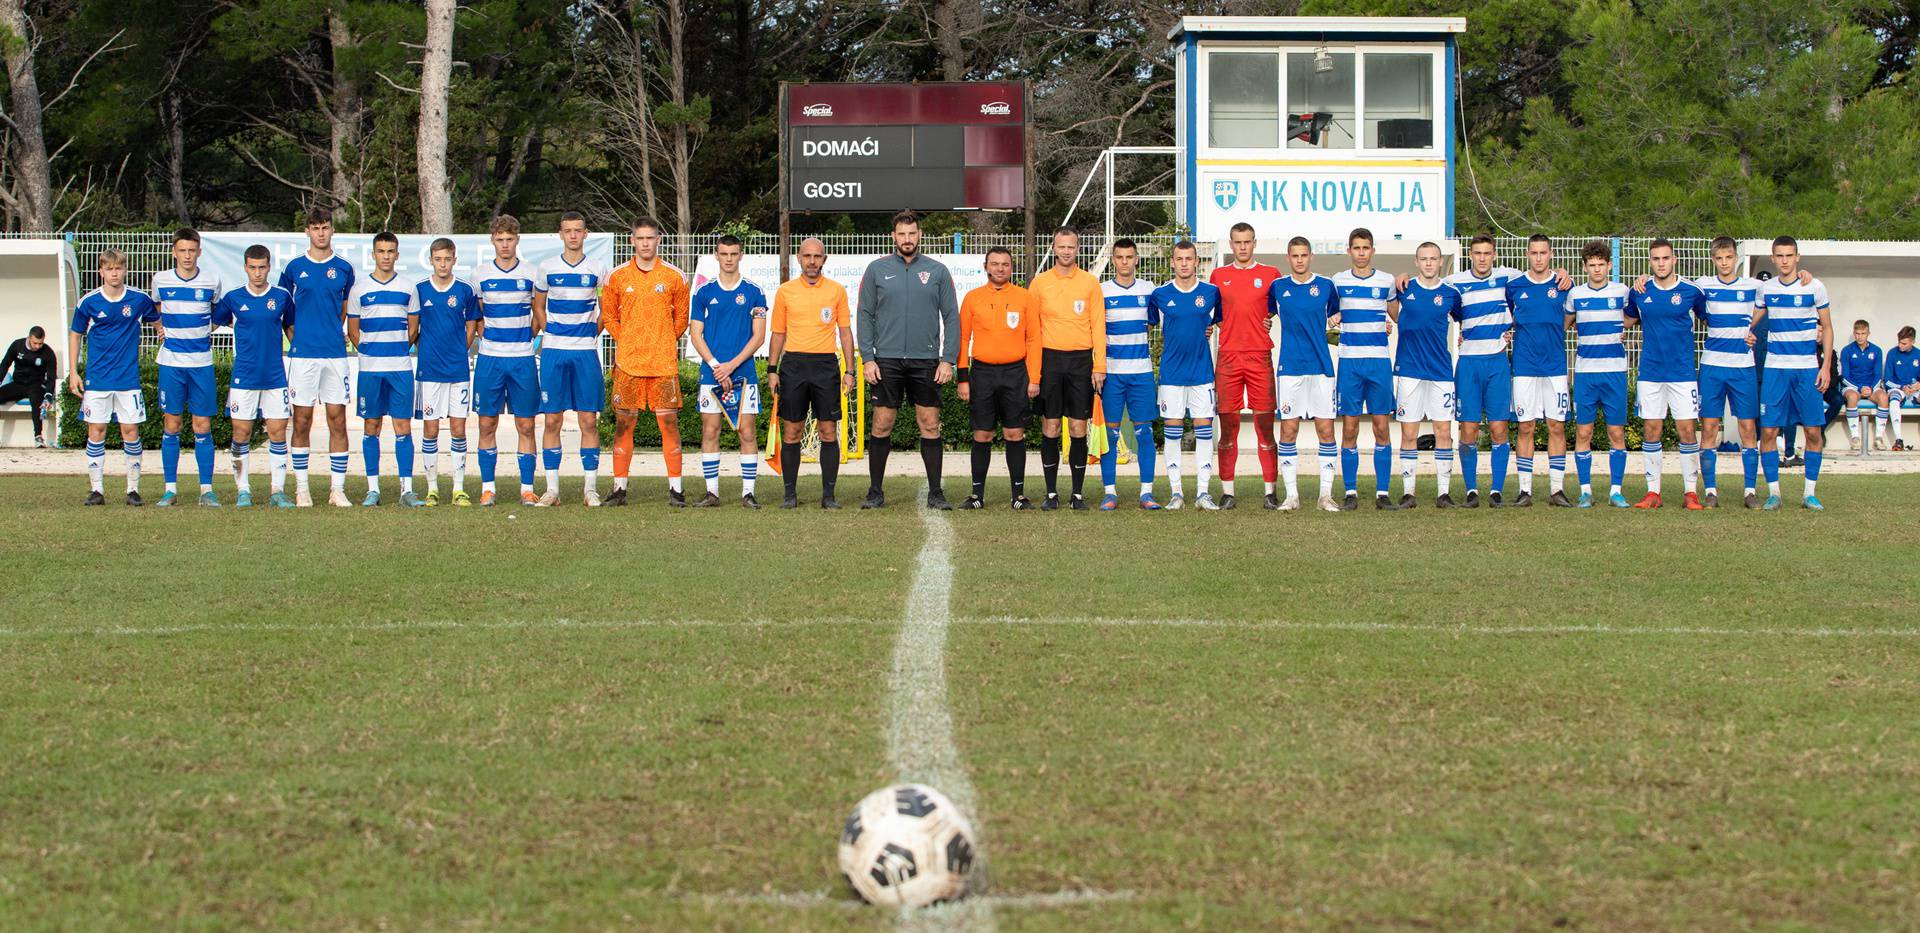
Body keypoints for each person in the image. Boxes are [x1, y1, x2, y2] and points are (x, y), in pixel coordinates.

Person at [858, 210, 960, 510]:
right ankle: (875, 491)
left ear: (920, 235)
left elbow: (951, 317)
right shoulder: (876, 269)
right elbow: (865, 315)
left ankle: (936, 493)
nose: (907, 239)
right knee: (882, 423)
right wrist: (868, 358)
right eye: (901, 234)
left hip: (925, 360)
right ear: (893, 236)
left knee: (930, 424)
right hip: (886, 360)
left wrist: (947, 359)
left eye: (912, 233)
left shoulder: (937, 271)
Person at [601, 216, 690, 507]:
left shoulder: (675, 276)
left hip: (663, 364)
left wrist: (663, 341)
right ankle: (619, 489)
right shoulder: (617, 276)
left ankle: (676, 490)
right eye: (640, 238)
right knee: (624, 426)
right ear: (632, 241)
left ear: (659, 240)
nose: (645, 243)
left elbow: (682, 320)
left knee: (669, 424)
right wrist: (628, 341)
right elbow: (610, 316)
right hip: (628, 364)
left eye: (650, 238)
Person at [768, 237, 855, 508]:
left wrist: (850, 370)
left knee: (828, 431)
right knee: (792, 431)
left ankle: (828, 496)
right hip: (793, 365)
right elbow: (778, 333)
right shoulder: (785, 291)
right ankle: (789, 495)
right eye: (807, 256)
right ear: (799, 258)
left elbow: (844, 332)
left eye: (817, 256)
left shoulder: (837, 291)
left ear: (824, 260)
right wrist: (772, 369)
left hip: (826, 366)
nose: (812, 261)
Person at [278, 208, 355, 507]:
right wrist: (299, 340)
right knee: (302, 420)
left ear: (332, 230)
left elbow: (344, 307)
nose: (320, 233)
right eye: (315, 228)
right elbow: (285, 310)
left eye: (325, 227)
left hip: (335, 355)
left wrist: (333, 332)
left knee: (338, 420)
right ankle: (302, 489)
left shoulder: (345, 268)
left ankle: (337, 489)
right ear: (307, 232)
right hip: (303, 357)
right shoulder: (294, 268)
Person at [69, 249, 157, 506]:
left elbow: (158, 321)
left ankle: (133, 489)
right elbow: (76, 334)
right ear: (101, 272)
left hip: (128, 380)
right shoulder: (89, 302)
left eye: (118, 268)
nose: (114, 273)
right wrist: (74, 372)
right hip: (97, 380)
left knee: (130, 431)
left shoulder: (139, 300)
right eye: (109, 269)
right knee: (96, 431)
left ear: (125, 270)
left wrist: (164, 331)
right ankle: (97, 490)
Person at [534, 211, 611, 506]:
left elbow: (606, 309)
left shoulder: (597, 268)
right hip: (554, 351)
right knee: (552, 419)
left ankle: (590, 488)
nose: (573, 235)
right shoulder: (547, 268)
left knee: (588, 420)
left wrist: (593, 333)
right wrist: (548, 331)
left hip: (585, 352)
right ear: (561, 234)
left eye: (578, 230)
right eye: (568, 231)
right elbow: (538, 306)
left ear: (586, 233)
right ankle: (552, 489)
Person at [956, 246, 1041, 509]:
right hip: (981, 373)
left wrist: (1034, 377)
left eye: (1005, 264)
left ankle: (1018, 495)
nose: (1000, 268)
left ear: (1011, 267)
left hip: (1015, 373)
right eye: (995, 264)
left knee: (1014, 433)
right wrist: (962, 377)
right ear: (986, 267)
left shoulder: (1025, 298)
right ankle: (976, 496)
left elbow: (1034, 339)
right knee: (982, 434)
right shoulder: (972, 298)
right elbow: (963, 338)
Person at [1028, 225, 1106, 510]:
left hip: (1081, 361)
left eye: (1071, 246)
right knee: (1049, 426)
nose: (1066, 251)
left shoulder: (1089, 283)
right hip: (1049, 360)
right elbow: (1032, 332)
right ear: (1053, 248)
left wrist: (1100, 365)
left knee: (1077, 427)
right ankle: (1051, 494)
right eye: (1061, 246)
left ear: (1078, 248)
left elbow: (1098, 326)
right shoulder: (1039, 284)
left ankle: (1077, 494)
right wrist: (1033, 372)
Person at [1626, 239, 1707, 509]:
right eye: (1656, 259)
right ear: (1650, 262)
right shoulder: (1639, 291)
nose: (1661, 263)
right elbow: (1626, 321)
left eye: (1665, 258)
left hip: (1682, 373)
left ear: (1674, 260)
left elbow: (1710, 319)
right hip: (1650, 372)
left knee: (1686, 430)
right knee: (1651, 429)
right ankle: (1653, 493)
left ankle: (1690, 493)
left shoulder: (1691, 291)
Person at [688, 234, 768, 508]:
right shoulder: (704, 292)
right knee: (710, 431)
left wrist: (731, 366)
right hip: (711, 373)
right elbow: (695, 334)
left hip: (743, 372)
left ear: (741, 255)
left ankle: (748, 493)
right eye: (724, 254)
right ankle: (712, 493)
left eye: (734, 254)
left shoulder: (754, 291)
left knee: (747, 431)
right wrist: (715, 365)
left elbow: (758, 336)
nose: (729, 259)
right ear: (716, 255)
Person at [214, 244, 296, 508]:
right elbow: (215, 322)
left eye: (262, 267)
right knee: (241, 431)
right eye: (253, 267)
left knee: (278, 432)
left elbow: (291, 329)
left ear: (269, 267)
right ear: (245, 268)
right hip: (244, 377)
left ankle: (277, 491)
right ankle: (244, 491)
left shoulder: (282, 297)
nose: (258, 273)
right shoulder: (233, 298)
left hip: (275, 376)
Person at [469, 214, 543, 507]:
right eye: (499, 240)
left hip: (522, 358)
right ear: (492, 241)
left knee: (526, 425)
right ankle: (488, 488)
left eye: (509, 239)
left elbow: (538, 313)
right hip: (490, 359)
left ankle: (527, 488)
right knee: (487, 424)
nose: (504, 245)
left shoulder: (531, 273)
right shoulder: (480, 275)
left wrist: (526, 338)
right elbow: (479, 315)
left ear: (517, 240)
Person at [1755, 235, 1833, 510]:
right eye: (1780, 256)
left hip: (1807, 369)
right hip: (1776, 369)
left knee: (1813, 431)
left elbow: (1828, 327)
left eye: (1790, 255)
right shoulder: (1765, 289)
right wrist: (1748, 333)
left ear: (1797, 257)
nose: (1785, 261)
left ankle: (1809, 493)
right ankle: (1774, 493)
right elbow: (1751, 321)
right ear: (1773, 258)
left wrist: (1825, 367)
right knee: (1768, 431)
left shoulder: (1815, 286)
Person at [1206, 222, 1280, 508]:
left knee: (1264, 426)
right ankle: (1228, 492)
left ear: (1255, 243)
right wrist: (1211, 325)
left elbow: (1275, 306)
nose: (1242, 247)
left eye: (1247, 242)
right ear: (1231, 244)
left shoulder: (1271, 275)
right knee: (1228, 427)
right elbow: (1211, 312)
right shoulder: (1218, 275)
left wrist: (1268, 318)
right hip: (1229, 358)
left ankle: (1270, 492)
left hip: (1259, 356)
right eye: (1237, 242)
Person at [1443, 235, 1519, 508]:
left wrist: (1561, 273)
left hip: (1497, 362)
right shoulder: (1455, 283)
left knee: (1500, 428)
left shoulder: (1508, 278)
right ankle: (1471, 490)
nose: (1483, 258)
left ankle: (1496, 490)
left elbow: (1538, 279)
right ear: (1470, 255)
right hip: (1469, 363)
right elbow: (1431, 293)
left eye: (1487, 253)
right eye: (1477, 253)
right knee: (1468, 428)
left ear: (1495, 255)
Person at [347, 231, 421, 507]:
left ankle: (406, 490)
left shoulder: (408, 287)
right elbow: (353, 331)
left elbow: (413, 328)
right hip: (370, 369)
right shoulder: (360, 289)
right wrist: (368, 352)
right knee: (371, 425)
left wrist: (399, 348)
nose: (386, 256)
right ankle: (373, 490)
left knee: (403, 426)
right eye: (381, 251)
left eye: (391, 251)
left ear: (397, 255)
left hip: (400, 368)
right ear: (374, 254)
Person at [151, 228, 222, 507]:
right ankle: (170, 489)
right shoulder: (161, 280)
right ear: (174, 252)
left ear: (199, 252)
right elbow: (155, 309)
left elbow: (217, 314)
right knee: (172, 423)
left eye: (192, 250)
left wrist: (206, 330)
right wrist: (160, 327)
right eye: (182, 250)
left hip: (201, 363)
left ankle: (207, 490)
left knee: (202, 425)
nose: (187, 256)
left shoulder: (212, 281)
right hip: (171, 363)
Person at [1149, 239, 1222, 510]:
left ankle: (1203, 492)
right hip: (1171, 375)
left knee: (1204, 431)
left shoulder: (1211, 293)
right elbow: (1148, 324)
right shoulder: (1160, 294)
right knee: (1172, 432)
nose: (1183, 263)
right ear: (1172, 262)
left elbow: (1217, 322)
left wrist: (1208, 328)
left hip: (1202, 374)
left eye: (1189, 259)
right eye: (1179, 259)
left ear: (1196, 262)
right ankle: (1176, 492)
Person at [1694, 236, 1764, 508]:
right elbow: (1671, 286)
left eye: (1729, 257)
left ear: (1736, 258)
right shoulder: (1703, 286)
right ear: (1713, 259)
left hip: (1743, 368)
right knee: (1709, 428)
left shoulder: (1754, 286)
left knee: (1747, 427)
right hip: (1712, 367)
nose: (1724, 263)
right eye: (1719, 258)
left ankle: (1749, 491)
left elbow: (1779, 291)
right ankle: (1711, 491)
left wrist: (1752, 329)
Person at [1330, 227, 1398, 510]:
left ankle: (1383, 493)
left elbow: (1398, 315)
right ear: (1349, 251)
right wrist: (1333, 320)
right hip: (1350, 363)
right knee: (1350, 428)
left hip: (1379, 362)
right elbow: (1329, 315)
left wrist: (1390, 324)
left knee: (1382, 428)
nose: (1361, 253)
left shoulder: (1387, 281)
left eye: (1365, 248)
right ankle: (1351, 493)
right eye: (1356, 248)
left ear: (1372, 250)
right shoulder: (1337, 281)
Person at [1270, 236, 1339, 512]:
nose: (1299, 260)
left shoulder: (1326, 286)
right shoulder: (1277, 288)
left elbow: (1337, 318)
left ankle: (1325, 496)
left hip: (1321, 367)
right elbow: (1262, 317)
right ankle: (1292, 496)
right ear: (1288, 258)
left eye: (1303, 255)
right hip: (1290, 368)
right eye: (1294, 255)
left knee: (1325, 429)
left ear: (1311, 256)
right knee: (1289, 429)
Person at [1391, 242, 1462, 508]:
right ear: (1416, 261)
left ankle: (1443, 493)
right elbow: (1389, 309)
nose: (1429, 263)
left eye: (1433, 258)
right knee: (1409, 432)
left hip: (1441, 372)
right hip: (1409, 371)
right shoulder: (1403, 288)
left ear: (1440, 261)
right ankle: (1409, 493)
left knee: (1443, 430)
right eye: (1424, 259)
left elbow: (1464, 319)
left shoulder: (1451, 294)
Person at [412, 238, 480, 506]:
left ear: (454, 260)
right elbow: (414, 329)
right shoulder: (420, 290)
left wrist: (455, 350)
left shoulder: (464, 290)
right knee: (430, 429)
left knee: (458, 428)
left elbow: (471, 326)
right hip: (429, 372)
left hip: (458, 371)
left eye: (447, 259)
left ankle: (458, 488)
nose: (442, 263)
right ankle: (432, 488)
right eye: (437, 259)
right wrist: (428, 350)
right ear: (431, 260)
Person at [1505, 234, 1572, 507]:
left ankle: (1557, 490)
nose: (1539, 258)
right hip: (1524, 368)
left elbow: (1569, 318)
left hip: (1555, 367)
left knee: (1557, 426)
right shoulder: (1514, 286)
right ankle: (1525, 491)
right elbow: (1509, 317)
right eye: (1534, 253)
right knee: (1526, 426)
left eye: (1543, 253)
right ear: (1527, 254)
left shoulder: (1564, 285)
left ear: (1551, 253)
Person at [1566, 240, 1633, 508]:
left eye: (1600, 265)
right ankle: (1585, 491)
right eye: (1591, 265)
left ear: (1609, 265)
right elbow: (1564, 324)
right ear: (1585, 267)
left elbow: (1635, 316)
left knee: (1616, 432)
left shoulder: (1623, 292)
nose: (1596, 269)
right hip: (1585, 373)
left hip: (1615, 372)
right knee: (1584, 432)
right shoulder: (1575, 295)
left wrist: (1620, 328)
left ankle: (1616, 491)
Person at [1099, 238, 1159, 510]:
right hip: (1111, 373)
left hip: (1142, 373)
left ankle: (1146, 492)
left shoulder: (1150, 291)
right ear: (1113, 259)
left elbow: (1168, 318)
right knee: (1109, 434)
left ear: (1137, 259)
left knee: (1144, 432)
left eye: (1129, 257)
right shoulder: (1100, 291)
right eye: (1120, 257)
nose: (1125, 261)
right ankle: (1110, 492)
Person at [0, 327, 57, 448]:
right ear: (29, 338)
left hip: (36, 385)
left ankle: (38, 437)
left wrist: (48, 396)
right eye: (35, 343)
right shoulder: (17, 345)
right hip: (18, 384)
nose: (38, 346)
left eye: (40, 343)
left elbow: (51, 378)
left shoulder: (48, 353)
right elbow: (4, 365)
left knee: (37, 401)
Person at [1837, 319, 1886, 452]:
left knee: (1883, 397)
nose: (1860, 336)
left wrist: (1870, 388)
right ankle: (1855, 438)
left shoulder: (1876, 350)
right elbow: (1844, 376)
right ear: (1854, 333)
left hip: (1871, 387)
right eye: (1857, 333)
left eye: (1863, 333)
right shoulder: (1847, 350)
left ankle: (1879, 438)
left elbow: (1878, 375)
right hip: (1853, 387)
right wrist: (1859, 388)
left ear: (1868, 333)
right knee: (1852, 397)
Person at [1884, 326, 1919, 451]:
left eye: (1904, 343)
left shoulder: (1918, 354)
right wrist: (1902, 387)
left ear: (1912, 341)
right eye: (1899, 342)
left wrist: (1918, 385)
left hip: (1914, 389)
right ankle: (1899, 440)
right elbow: (1887, 380)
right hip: (1898, 388)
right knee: (1894, 400)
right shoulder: (1892, 353)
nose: (1900, 345)